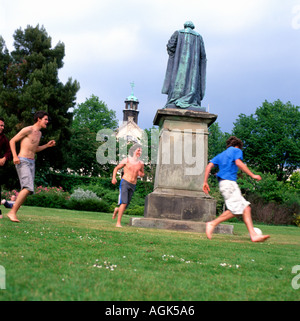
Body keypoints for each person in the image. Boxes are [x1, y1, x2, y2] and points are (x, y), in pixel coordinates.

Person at [202, 136, 270, 242]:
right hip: (229, 184)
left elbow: (209, 166)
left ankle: (254, 235)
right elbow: (238, 163)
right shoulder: (237, 150)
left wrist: (205, 182)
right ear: (238, 146)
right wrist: (253, 175)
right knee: (236, 210)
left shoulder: (221, 154)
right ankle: (212, 223)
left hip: (225, 184)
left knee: (246, 208)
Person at [7, 111, 56, 223]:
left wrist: (47, 146)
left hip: (31, 162)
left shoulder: (39, 134)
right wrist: (15, 156)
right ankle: (12, 212)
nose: (47, 122)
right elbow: (12, 141)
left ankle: (12, 211)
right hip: (22, 160)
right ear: (39, 119)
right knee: (28, 187)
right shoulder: (28, 130)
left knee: (28, 189)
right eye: (45, 119)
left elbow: (35, 149)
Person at [162, 21, 207, 109]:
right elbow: (203, 55)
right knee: (192, 81)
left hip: (179, 64)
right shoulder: (198, 36)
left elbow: (170, 46)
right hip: (194, 67)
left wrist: (175, 55)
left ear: (184, 26)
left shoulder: (178, 33)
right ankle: (190, 99)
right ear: (192, 27)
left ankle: (175, 98)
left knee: (177, 79)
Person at [111, 144, 144, 227]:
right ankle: (118, 223)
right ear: (134, 151)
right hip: (125, 182)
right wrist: (114, 178)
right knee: (124, 202)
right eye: (138, 150)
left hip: (133, 184)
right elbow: (116, 168)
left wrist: (141, 174)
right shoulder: (127, 160)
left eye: (141, 151)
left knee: (125, 206)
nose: (140, 152)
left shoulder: (141, 163)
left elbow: (142, 173)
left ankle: (117, 209)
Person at [0, 117, 12, 218]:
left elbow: (8, 151)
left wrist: (4, 158)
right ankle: (3, 202)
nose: (2, 127)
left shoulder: (4, 138)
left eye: (3, 125)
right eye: (0, 125)